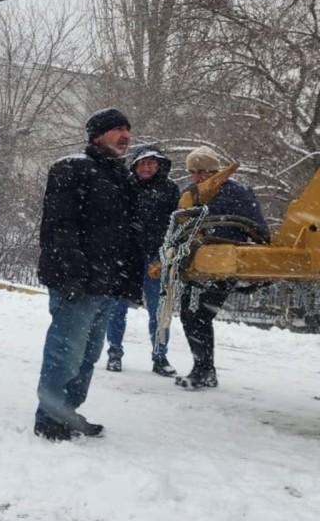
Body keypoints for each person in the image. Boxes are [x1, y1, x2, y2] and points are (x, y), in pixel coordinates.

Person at [34, 108, 142, 441]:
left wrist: (128, 279)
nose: (125, 136)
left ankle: (68, 411)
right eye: (117, 129)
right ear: (97, 134)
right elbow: (59, 226)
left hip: (107, 284)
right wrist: (72, 274)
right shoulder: (72, 168)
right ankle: (49, 417)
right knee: (65, 352)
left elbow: (128, 233)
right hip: (77, 283)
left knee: (88, 355)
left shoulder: (121, 176)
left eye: (127, 130)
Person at [175, 146, 267, 390]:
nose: (196, 177)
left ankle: (204, 370)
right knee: (191, 315)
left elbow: (258, 229)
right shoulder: (193, 193)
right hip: (198, 264)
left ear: (213, 170)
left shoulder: (235, 192)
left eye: (201, 171)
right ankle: (204, 369)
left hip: (222, 263)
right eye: (192, 172)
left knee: (199, 315)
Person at [103, 145, 181, 377]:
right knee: (117, 308)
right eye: (143, 163)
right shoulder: (125, 186)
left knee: (159, 310)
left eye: (152, 163)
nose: (147, 167)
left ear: (159, 165)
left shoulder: (169, 190)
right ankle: (114, 353)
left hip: (155, 257)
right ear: (135, 165)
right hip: (126, 257)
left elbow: (176, 223)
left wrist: (167, 250)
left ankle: (160, 356)